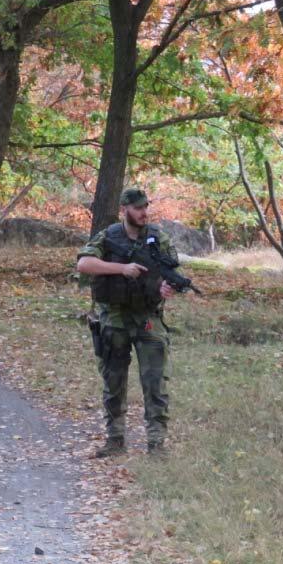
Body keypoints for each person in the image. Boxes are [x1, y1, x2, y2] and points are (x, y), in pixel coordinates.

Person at [77, 188, 183, 458]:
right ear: (125, 209)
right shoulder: (109, 236)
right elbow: (84, 264)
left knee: (155, 381)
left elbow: (170, 271)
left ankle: (156, 444)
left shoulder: (158, 237)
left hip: (148, 317)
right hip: (114, 317)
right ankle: (115, 440)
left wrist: (166, 288)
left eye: (145, 206)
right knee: (114, 379)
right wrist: (121, 269)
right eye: (137, 208)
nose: (143, 212)